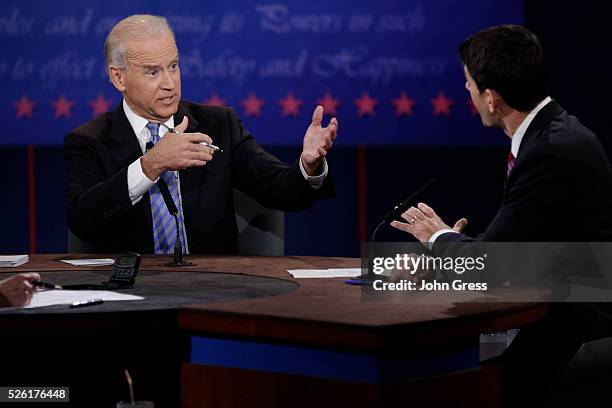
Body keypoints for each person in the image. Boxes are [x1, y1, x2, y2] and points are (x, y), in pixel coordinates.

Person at [391, 25, 612, 405]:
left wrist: (436, 239)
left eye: (468, 84)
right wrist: (448, 253)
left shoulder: (549, 152)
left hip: (576, 324)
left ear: (491, 98)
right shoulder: (552, 133)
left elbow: (495, 265)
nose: (467, 92)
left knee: (449, 383)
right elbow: (520, 250)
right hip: (557, 307)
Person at [64, 15, 336, 255]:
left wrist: (308, 166)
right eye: (152, 72)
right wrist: (150, 165)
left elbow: (278, 188)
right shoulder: (90, 140)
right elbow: (83, 221)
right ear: (118, 78)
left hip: (212, 289)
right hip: (131, 294)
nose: (169, 83)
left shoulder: (219, 125)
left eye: (173, 66)